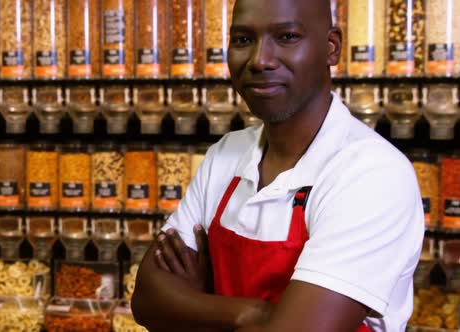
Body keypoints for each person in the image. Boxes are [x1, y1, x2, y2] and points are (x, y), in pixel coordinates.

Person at [131, 0, 424, 331]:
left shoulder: (372, 174)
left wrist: (198, 305)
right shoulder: (223, 156)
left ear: (331, 48)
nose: (260, 60)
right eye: (243, 40)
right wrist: (254, 315)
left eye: (286, 37)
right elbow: (147, 300)